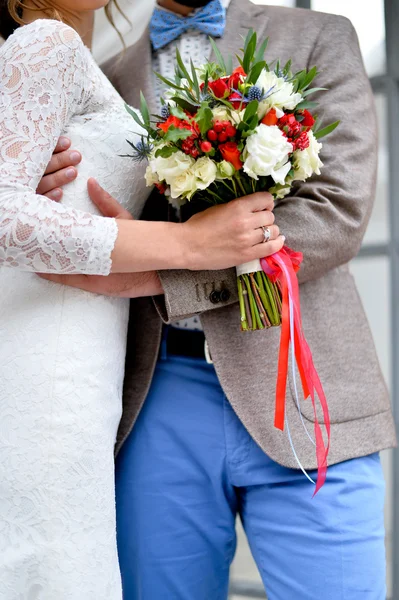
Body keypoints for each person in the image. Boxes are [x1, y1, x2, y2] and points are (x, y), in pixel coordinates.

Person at [39, 0, 397, 598]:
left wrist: (165, 276)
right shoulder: (101, 74)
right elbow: (81, 211)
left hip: (304, 382)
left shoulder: (319, 37)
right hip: (157, 395)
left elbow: (336, 211)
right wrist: (48, 182)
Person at [0, 2, 284, 598]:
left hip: (87, 366)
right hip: (45, 360)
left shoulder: (80, 55)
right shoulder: (45, 40)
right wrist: (185, 243)